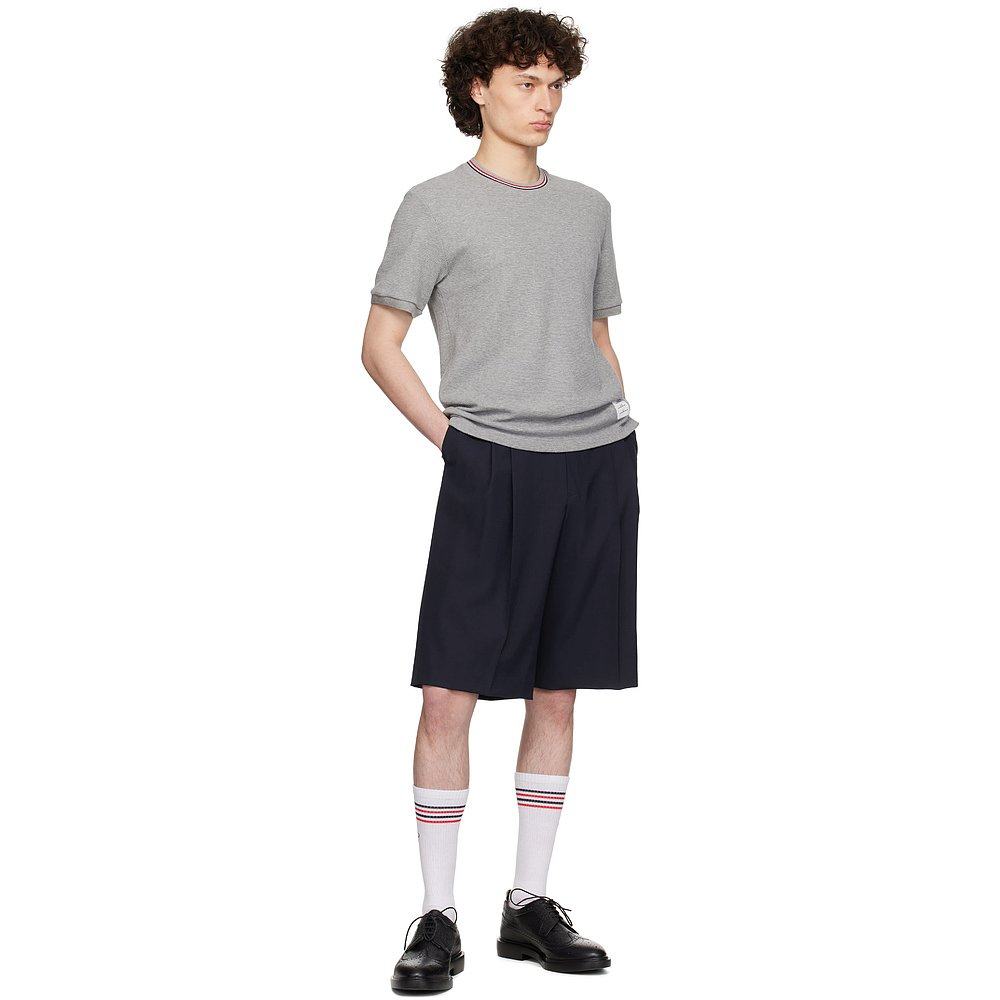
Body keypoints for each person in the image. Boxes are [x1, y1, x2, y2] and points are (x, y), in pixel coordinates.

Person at [361, 9, 639, 990]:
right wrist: (458, 443)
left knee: (560, 685)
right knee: (451, 690)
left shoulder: (589, 207)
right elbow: (380, 345)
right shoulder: (433, 207)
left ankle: (529, 905)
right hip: (491, 463)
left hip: (594, 463)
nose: (546, 100)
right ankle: (436, 915)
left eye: (557, 83)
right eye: (527, 81)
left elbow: (596, 332)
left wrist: (621, 419)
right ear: (478, 88)